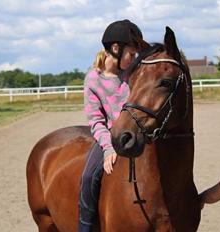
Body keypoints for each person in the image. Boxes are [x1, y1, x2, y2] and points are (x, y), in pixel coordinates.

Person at [78, 19, 148, 232]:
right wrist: (108, 148)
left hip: (138, 134)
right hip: (110, 137)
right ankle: (85, 226)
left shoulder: (135, 74)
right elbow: (96, 121)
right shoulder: (92, 80)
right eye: (132, 54)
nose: (134, 58)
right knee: (89, 176)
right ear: (115, 49)